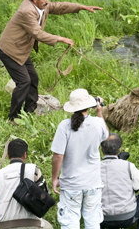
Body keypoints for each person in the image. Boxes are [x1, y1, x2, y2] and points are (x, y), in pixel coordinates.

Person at [0, 0, 103, 124]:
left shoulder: (41, 6)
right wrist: (61, 39)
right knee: (24, 82)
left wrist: (82, 7)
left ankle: (30, 110)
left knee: (33, 79)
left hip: (21, 50)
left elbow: (60, 6)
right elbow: (37, 33)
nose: (47, 2)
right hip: (10, 51)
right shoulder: (26, 11)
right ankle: (13, 118)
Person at [51, 89, 109, 229]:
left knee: (70, 222)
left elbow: (58, 156)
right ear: (90, 105)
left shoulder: (64, 126)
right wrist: (100, 113)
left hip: (71, 184)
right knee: (93, 221)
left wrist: (54, 178)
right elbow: (106, 136)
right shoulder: (98, 123)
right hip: (93, 182)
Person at [100, 133, 139, 229]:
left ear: (101, 149)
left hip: (101, 219)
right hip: (127, 218)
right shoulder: (127, 166)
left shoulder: (93, 169)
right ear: (119, 149)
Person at [0, 138, 52, 229]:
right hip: (30, 223)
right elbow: (46, 195)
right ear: (25, 155)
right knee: (48, 226)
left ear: (8, 155)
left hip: (2, 225)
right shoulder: (33, 170)